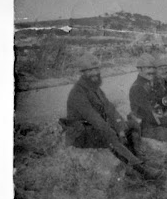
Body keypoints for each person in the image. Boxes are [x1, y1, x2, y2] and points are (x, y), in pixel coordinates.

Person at [61, 52, 161, 180]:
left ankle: (139, 161)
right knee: (110, 135)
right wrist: (115, 131)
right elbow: (95, 119)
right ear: (82, 73)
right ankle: (141, 170)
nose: (95, 73)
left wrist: (120, 127)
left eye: (96, 69)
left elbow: (110, 110)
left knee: (131, 125)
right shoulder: (78, 93)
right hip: (80, 134)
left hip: (94, 127)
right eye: (90, 70)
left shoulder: (95, 88)